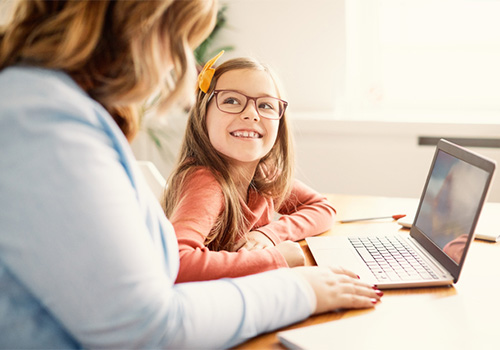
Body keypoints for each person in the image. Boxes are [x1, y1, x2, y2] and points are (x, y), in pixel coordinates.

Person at [0, 1, 382, 348]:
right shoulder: (43, 122)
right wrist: (296, 287)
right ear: (135, 23)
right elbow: (144, 326)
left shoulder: (55, 112)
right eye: (180, 38)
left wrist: (271, 238)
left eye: (266, 106)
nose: (180, 65)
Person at [164, 53, 337, 283]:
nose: (251, 114)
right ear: (202, 115)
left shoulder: (262, 175)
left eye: (265, 105)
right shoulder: (206, 181)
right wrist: (275, 259)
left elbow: (322, 208)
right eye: (231, 101)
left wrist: (270, 233)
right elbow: (177, 263)